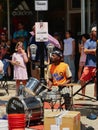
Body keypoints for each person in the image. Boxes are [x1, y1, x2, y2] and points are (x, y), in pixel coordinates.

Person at [79, 26, 97, 100]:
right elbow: (85, 51)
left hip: (96, 64)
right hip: (88, 64)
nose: (94, 32)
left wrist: (90, 51)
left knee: (96, 80)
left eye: (95, 31)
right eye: (94, 31)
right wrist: (94, 51)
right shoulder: (88, 41)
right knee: (82, 79)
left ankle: (95, 96)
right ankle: (83, 95)